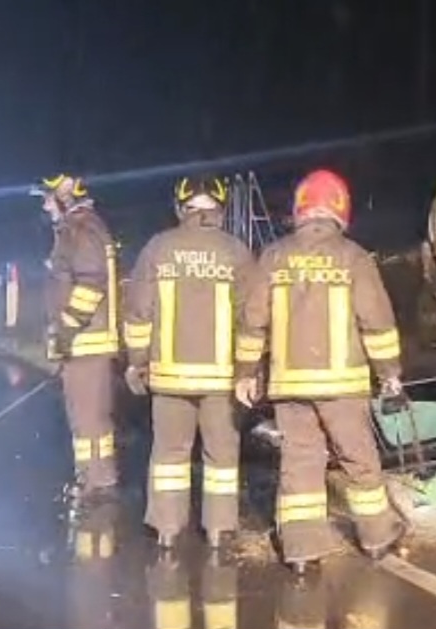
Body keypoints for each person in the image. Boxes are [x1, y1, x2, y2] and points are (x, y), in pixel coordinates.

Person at [233, 168, 407, 574]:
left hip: (289, 383)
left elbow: (252, 321)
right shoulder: (354, 257)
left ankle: (300, 550)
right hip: (343, 386)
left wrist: (245, 372)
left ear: (299, 210)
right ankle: (378, 537)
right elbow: (377, 321)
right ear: (340, 211)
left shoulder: (274, 256)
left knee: (300, 461)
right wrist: (390, 372)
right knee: (358, 458)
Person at [123, 175, 254, 550]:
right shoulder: (236, 251)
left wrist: (137, 362)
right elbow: (253, 317)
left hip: (168, 378)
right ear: (221, 209)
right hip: (221, 382)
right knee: (221, 456)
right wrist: (248, 371)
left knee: (169, 454)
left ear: (181, 208)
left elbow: (138, 313)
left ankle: (167, 528)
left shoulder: (158, 248)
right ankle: (219, 530)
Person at [32, 173, 121, 503]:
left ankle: (97, 482)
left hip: (87, 341)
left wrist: (67, 328)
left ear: (63, 198)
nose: (44, 205)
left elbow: (91, 282)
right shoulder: (80, 228)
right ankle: (94, 477)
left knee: (88, 417)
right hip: (85, 341)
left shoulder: (80, 230)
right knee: (87, 417)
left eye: (47, 197)